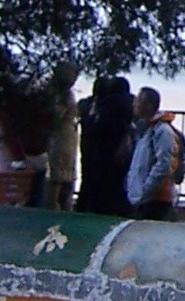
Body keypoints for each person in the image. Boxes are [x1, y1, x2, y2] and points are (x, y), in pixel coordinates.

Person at [77, 75, 133, 216]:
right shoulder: (131, 106)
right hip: (124, 151)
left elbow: (95, 128)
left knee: (96, 183)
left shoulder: (106, 106)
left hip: (103, 150)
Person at [124, 87, 178, 221]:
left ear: (148, 106)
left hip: (156, 198)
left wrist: (145, 190)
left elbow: (164, 164)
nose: (134, 104)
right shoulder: (146, 129)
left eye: (138, 101)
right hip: (145, 197)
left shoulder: (161, 131)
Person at [44, 62, 79, 213]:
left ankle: (57, 209)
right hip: (64, 138)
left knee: (59, 179)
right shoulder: (64, 95)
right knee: (61, 179)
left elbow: (56, 115)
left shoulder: (61, 95)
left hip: (63, 138)